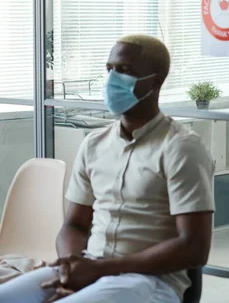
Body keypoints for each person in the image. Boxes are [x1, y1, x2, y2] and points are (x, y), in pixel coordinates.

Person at [0, 35, 215, 303]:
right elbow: (74, 225)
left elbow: (194, 248)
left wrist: (99, 270)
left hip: (150, 281)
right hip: (91, 267)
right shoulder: (94, 145)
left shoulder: (181, 148)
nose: (113, 78)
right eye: (109, 69)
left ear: (155, 81)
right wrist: (70, 266)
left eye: (124, 71)